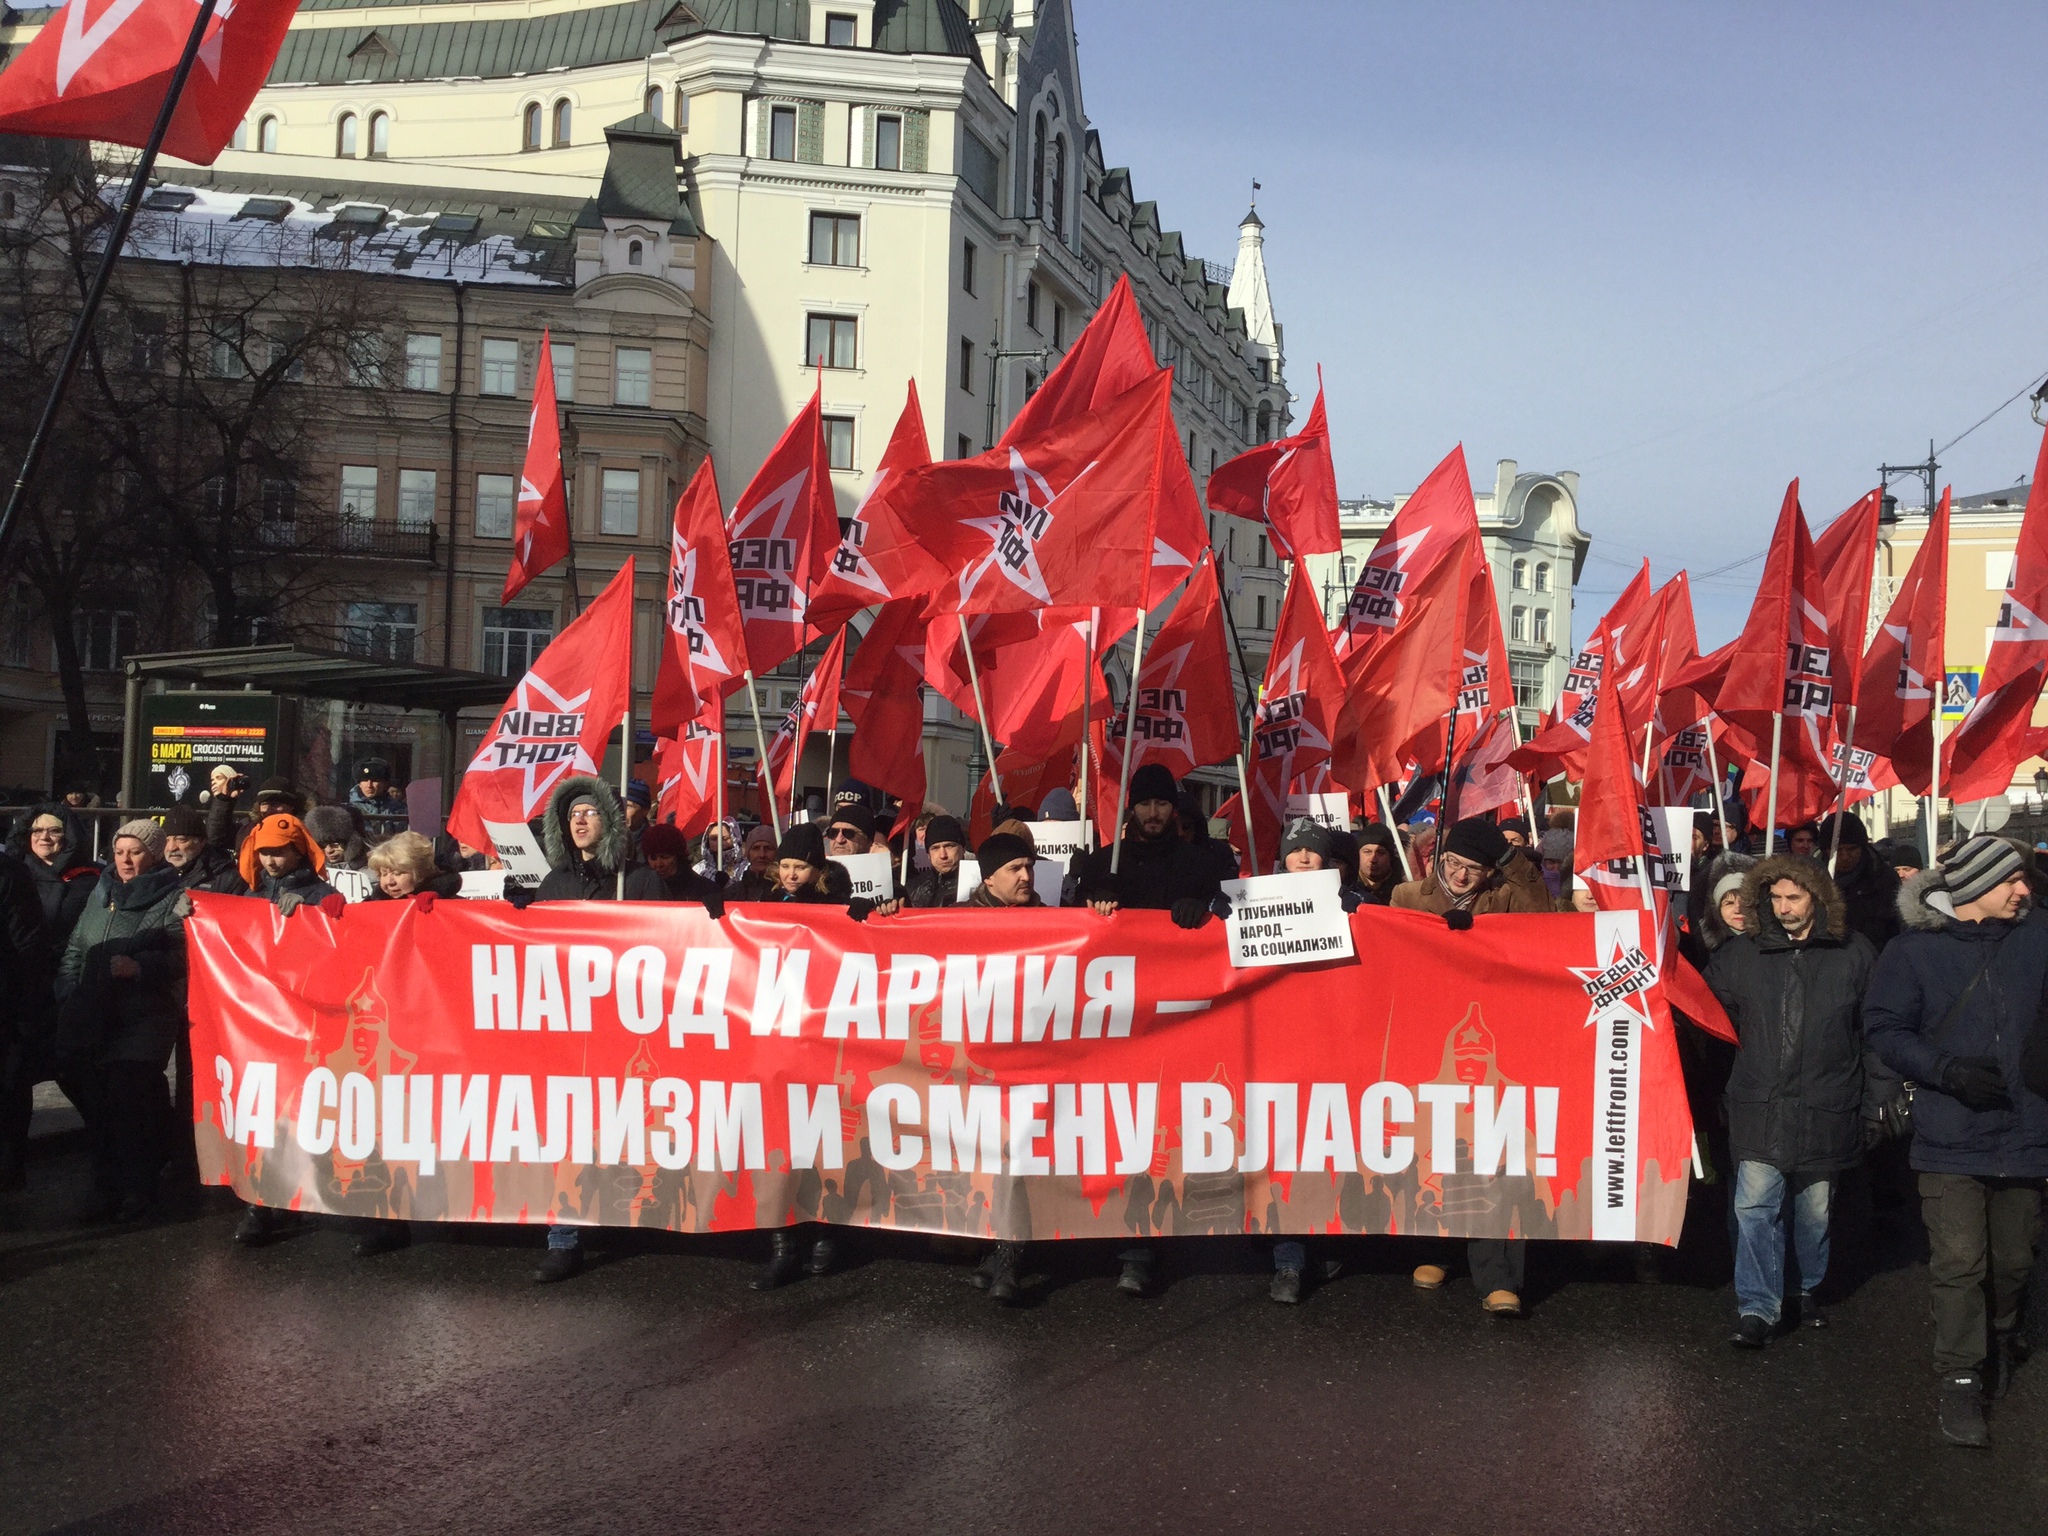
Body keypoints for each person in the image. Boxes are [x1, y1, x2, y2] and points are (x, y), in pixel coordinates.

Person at [1865, 835, 2048, 1447]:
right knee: (1960, 1261)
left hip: (2028, 1130)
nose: (2024, 891)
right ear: (1972, 889)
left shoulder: (2040, 937)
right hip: (1951, 1132)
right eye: (2012, 882)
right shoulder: (1913, 951)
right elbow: (1885, 1028)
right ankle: (1961, 1376)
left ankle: (1999, 1332)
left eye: (2024, 880)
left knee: (2015, 1259)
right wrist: (1945, 1071)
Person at [1703, 855, 1880, 1350]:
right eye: (1774, 898)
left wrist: (1878, 1097)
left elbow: (1874, 1030)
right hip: (1758, 1102)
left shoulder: (1855, 953)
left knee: (1814, 1211)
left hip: (1828, 1102)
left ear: (1818, 898)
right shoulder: (1741, 956)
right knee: (1755, 1207)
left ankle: (1804, 1289)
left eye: (1793, 897)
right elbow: (1708, 1023)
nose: (1783, 908)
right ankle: (1757, 1306)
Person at [1072, 763, 1221, 1297]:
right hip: (1112, 1022)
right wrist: (1096, 906)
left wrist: (1203, 909)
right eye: (1145, 804)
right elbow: (1068, 931)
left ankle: (1143, 1246)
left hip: (1177, 1022)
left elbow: (1232, 916)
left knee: (1156, 1130)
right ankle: (1109, 1235)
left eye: (1162, 805)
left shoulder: (1199, 861)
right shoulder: (1100, 863)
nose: (1154, 814)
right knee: (1113, 1127)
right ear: (1131, 809)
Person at [528, 777, 683, 1279]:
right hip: (570, 1032)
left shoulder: (640, 881)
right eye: (572, 813)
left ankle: (636, 1212)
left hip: (627, 1029)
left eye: (590, 812)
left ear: (612, 822)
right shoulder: (554, 884)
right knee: (568, 1132)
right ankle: (564, 1237)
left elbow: (669, 952)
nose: (579, 820)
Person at [1394, 814, 1548, 1315]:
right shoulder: (1405, 896)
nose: (1461, 877)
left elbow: (1541, 916)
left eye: (1474, 870)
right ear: (1438, 858)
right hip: (1428, 1043)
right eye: (1454, 865)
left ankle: (1497, 1275)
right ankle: (1437, 1249)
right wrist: (1439, 926)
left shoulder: (1502, 895)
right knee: (1438, 1149)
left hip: (1489, 1039)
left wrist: (1509, 864)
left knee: (1490, 1154)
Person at [52, 820, 187, 1222]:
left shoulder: (175, 896)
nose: (126, 860)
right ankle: (107, 1185)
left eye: (137, 852)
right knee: (93, 1093)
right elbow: (77, 945)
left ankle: (139, 1190)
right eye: (120, 851)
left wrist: (140, 967)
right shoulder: (101, 891)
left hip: (145, 1015)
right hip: (94, 1012)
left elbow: (182, 957)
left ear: (156, 854)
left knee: (130, 1096)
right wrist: (67, 989)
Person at [0, 845, 48, 1191]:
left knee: (9, 1090)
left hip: (8, 1009)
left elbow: (27, 948)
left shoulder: (9, 874)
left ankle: (9, 1173)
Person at [17, 804, 100, 952]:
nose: (44, 837)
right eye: (37, 831)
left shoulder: (90, 877)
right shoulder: (15, 874)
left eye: (54, 831)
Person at [1813, 812, 1901, 952]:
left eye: (1852, 849)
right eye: (1837, 850)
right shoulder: (1811, 879)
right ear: (1825, 851)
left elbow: (1897, 929)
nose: (1845, 857)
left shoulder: (1884, 878)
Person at [236, 813, 339, 913]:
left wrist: (308, 908)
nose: (269, 862)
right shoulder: (252, 893)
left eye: (277, 853)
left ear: (299, 852)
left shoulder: (324, 896)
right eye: (263, 853)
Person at [160, 806, 247, 896]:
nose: (171, 847)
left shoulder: (227, 879)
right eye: (166, 840)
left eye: (181, 839)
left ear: (201, 842)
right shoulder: (153, 874)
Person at [365, 831, 463, 906]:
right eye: (384, 873)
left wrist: (438, 905)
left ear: (420, 873)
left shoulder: (451, 903)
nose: (390, 882)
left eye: (398, 873)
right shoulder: (372, 904)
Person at [905, 815, 969, 907]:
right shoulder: (913, 889)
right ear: (928, 854)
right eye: (935, 848)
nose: (943, 855)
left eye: (949, 846)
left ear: (963, 848)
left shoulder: (981, 885)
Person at [1354, 823, 1402, 906]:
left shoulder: (1404, 887)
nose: (1373, 859)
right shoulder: (1346, 885)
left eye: (1380, 853)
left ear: (1390, 856)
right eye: (1367, 852)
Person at [733, 823, 780, 899]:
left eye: (768, 848)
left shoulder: (784, 894)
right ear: (748, 853)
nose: (762, 855)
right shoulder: (732, 894)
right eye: (756, 848)